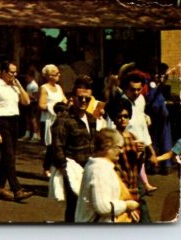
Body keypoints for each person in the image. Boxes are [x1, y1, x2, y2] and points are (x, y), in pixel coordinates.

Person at [51, 75, 97, 222]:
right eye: (80, 98)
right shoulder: (64, 119)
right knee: (74, 206)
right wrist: (64, 168)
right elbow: (57, 146)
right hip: (73, 169)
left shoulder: (91, 118)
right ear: (72, 97)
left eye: (87, 99)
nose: (83, 101)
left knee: (90, 206)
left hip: (89, 168)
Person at [0, 61, 34, 202]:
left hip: (14, 120)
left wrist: (19, 86)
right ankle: (17, 189)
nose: (13, 75)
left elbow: (26, 102)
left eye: (15, 72)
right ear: (3, 72)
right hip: (1, 120)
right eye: (11, 72)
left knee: (8, 156)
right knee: (9, 155)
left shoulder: (14, 86)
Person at [75, 129, 140, 223]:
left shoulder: (99, 166)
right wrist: (126, 206)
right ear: (108, 146)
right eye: (119, 147)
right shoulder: (99, 170)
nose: (122, 152)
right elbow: (103, 207)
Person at [38, 64, 65, 146]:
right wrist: (54, 107)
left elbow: (64, 100)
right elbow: (41, 105)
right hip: (48, 120)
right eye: (57, 74)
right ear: (50, 76)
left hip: (59, 120)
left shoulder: (59, 87)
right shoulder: (44, 88)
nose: (59, 75)